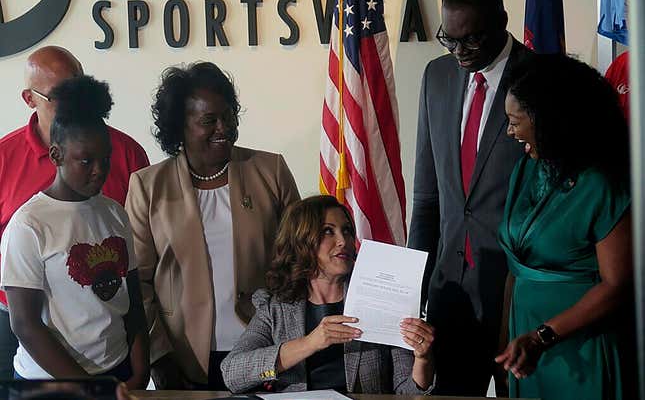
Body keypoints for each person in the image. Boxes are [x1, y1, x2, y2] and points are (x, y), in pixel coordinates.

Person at [125, 62, 300, 390]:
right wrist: (159, 359)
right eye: (209, 120)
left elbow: (301, 259)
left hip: (264, 352)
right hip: (182, 360)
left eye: (229, 116)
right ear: (180, 126)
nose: (224, 128)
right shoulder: (148, 187)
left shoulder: (270, 171)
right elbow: (138, 286)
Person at [407, 0, 532, 396]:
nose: (459, 52)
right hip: (451, 293)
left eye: (472, 41)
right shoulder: (436, 76)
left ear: (502, 23)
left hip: (517, 293)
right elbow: (428, 196)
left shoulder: (539, 78)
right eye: (449, 39)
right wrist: (414, 284)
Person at [0, 46, 149, 380]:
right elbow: (25, 323)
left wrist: (139, 370)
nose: (100, 171)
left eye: (105, 159)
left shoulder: (115, 204)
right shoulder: (28, 221)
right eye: (86, 161)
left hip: (112, 357)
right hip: (39, 355)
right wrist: (87, 389)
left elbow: (133, 299)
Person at [495, 54, 634, 400]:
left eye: (515, 121)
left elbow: (617, 285)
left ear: (550, 121)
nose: (510, 131)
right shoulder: (526, 170)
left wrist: (543, 336)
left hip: (580, 347)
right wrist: (506, 337)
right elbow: (517, 266)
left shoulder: (601, 184)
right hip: (523, 343)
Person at [221, 195, 435, 394]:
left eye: (347, 231)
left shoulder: (380, 299)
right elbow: (232, 374)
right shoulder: (275, 307)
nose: (343, 241)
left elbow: (408, 392)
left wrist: (423, 359)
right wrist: (310, 342)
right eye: (328, 231)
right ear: (301, 241)